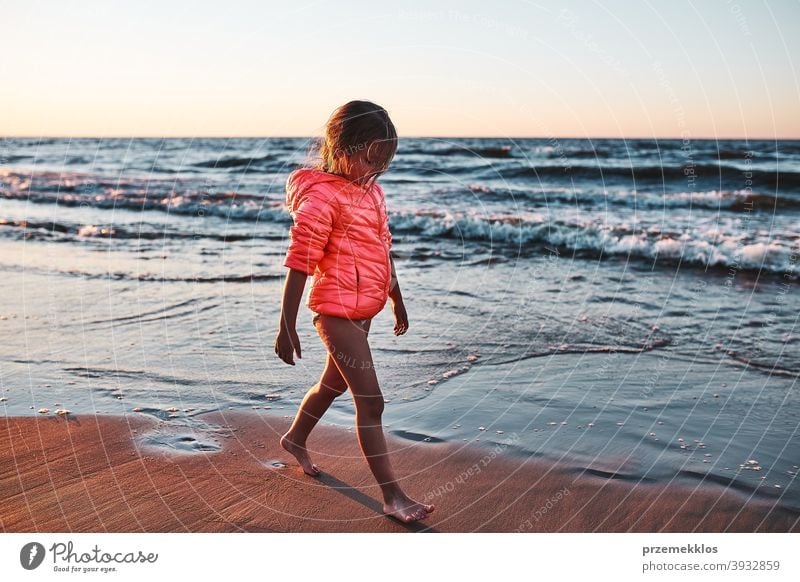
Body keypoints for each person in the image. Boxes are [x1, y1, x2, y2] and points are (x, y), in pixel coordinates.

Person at [274, 100, 435, 523]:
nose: (375, 170)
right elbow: (300, 261)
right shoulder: (322, 196)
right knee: (371, 401)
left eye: (383, 163)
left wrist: (396, 296)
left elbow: (383, 246)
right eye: (370, 159)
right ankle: (393, 496)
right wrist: (286, 325)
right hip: (335, 312)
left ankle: (294, 438)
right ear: (344, 146)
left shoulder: (373, 192)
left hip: (365, 308)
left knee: (333, 385)